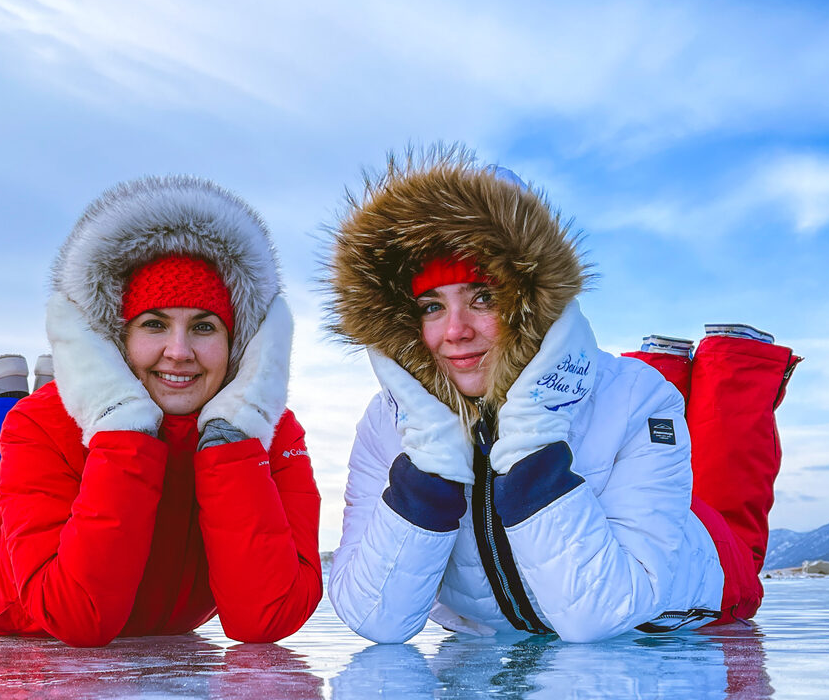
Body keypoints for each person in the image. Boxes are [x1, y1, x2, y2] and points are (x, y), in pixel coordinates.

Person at [324, 149, 798, 644]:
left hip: (705, 574)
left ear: (532, 302)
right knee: (621, 405)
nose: (455, 332)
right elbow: (376, 619)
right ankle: (668, 360)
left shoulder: (640, 400)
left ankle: (738, 361)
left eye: (484, 297)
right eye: (430, 305)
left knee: (727, 506)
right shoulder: (388, 423)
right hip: (616, 493)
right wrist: (427, 463)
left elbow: (600, 615)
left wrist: (531, 434)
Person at [0, 175, 323, 647]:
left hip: (133, 584)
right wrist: (123, 432)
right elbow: (79, 617)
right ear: (116, 339)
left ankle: (50, 383)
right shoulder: (41, 424)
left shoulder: (268, 430)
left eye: (205, 326)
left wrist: (234, 442)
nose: (179, 351)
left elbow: (265, 620)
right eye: (154, 324)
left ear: (241, 342)